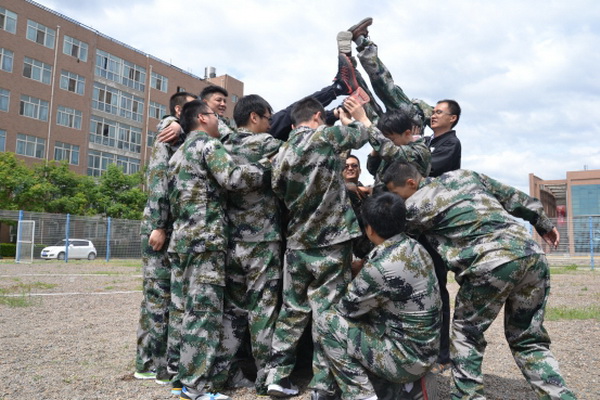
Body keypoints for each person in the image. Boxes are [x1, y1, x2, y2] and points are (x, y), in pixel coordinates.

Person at [383, 162, 577, 400]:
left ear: (411, 183)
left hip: (490, 264)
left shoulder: (414, 206)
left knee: (466, 335)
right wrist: (542, 223)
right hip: (532, 256)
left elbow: (387, 236)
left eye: (395, 192)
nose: (397, 199)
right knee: (528, 339)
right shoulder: (464, 176)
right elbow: (512, 196)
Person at [265, 96, 374, 399]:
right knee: (327, 312)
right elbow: (363, 134)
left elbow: (278, 190)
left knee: (292, 310)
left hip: (297, 243)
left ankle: (277, 376)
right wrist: (354, 117)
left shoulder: (281, 153)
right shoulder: (324, 136)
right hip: (331, 243)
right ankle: (322, 385)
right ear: (316, 116)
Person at [167, 99, 270, 400]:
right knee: (204, 313)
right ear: (202, 118)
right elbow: (233, 178)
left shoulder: (178, 153)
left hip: (183, 240)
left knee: (186, 311)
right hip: (205, 241)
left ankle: (183, 378)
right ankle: (196, 388)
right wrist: (266, 168)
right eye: (214, 115)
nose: (218, 120)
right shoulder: (208, 145)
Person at [315, 193, 441, 400]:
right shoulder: (415, 248)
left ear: (370, 229)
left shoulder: (378, 269)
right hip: (426, 351)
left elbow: (346, 310)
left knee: (327, 322)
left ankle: (361, 395)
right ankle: (406, 387)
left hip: (406, 360)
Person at [219, 94, 285, 395]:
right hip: (262, 240)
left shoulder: (222, 146)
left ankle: (225, 372)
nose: (270, 124)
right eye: (268, 118)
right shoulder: (268, 145)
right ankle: (266, 378)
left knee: (232, 311)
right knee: (263, 309)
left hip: (230, 241)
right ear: (254, 117)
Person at [134, 91, 197, 391]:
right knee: (158, 297)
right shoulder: (169, 129)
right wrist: (159, 226)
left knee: (159, 297)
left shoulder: (180, 133)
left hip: (168, 226)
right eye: (192, 106)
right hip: (159, 228)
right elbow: (159, 178)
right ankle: (154, 365)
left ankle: (150, 363)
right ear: (179, 110)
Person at [342, 154, 373, 275]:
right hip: (341, 252)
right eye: (346, 166)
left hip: (364, 254)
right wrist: (348, 187)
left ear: (360, 171)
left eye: (354, 166)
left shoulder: (368, 194)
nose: (350, 168)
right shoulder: (334, 193)